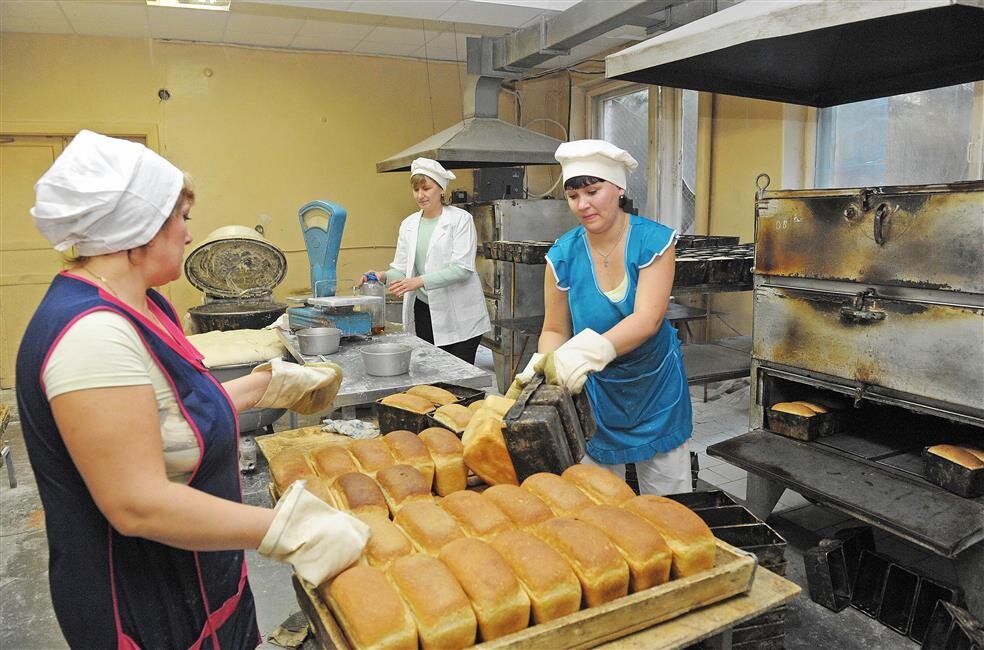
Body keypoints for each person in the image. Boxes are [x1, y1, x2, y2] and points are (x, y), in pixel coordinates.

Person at [16, 130, 370, 648]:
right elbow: (136, 504)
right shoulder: (91, 334)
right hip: (142, 604)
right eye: (181, 218)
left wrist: (264, 385)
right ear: (138, 228)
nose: (188, 234)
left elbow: (167, 423)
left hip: (201, 578)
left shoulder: (147, 303)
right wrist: (289, 530)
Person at [508, 140, 694, 495]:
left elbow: (647, 320)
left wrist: (582, 354)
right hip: (595, 390)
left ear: (619, 188)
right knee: (601, 503)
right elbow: (554, 327)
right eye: (573, 196)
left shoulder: (653, 241)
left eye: (593, 192)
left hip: (654, 389)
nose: (583, 205)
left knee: (669, 502)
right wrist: (546, 363)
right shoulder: (562, 254)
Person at [362, 157, 490, 364]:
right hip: (424, 313)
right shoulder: (409, 224)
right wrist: (382, 276)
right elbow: (402, 270)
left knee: (459, 380)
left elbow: (462, 269)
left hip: (460, 314)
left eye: (426, 188)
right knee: (431, 376)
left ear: (441, 189)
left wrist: (418, 281)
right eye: (416, 190)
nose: (420, 195)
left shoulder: (460, 220)